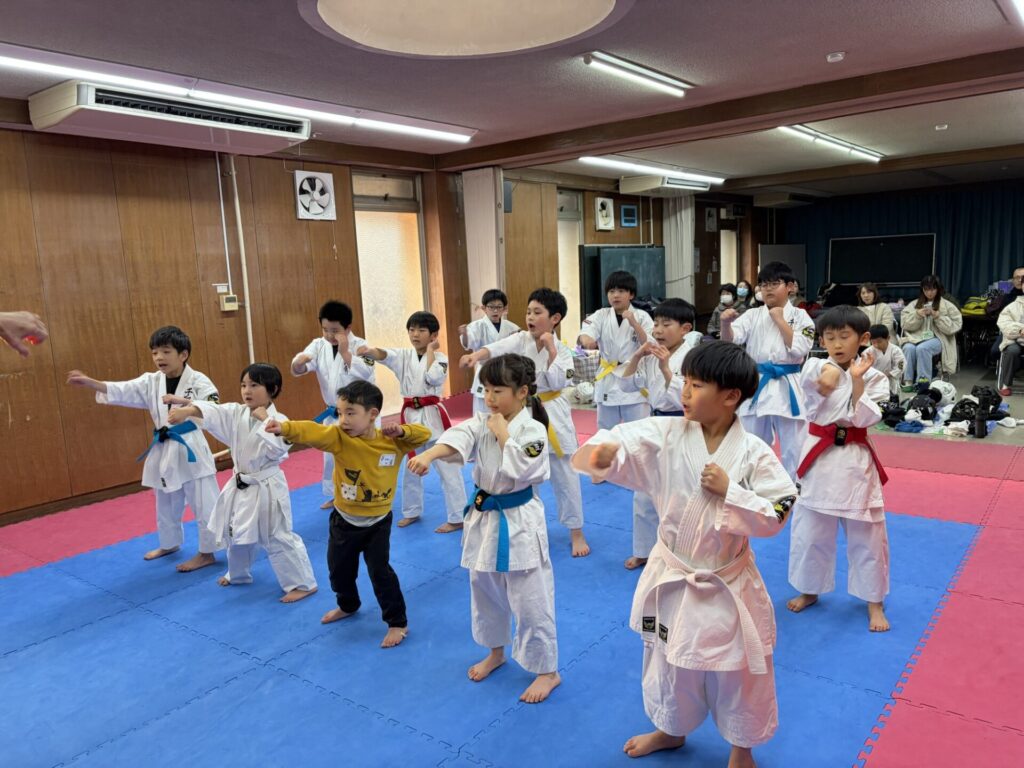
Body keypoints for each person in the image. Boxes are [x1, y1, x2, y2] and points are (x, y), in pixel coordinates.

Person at [572, 342, 797, 767]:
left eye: (696, 385)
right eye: (685, 382)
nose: (685, 392)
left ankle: (742, 748)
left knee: (739, 671)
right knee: (667, 659)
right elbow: (625, 438)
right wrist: (606, 452)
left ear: (730, 396)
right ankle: (670, 729)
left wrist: (732, 492)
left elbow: (779, 510)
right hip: (673, 574)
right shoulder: (668, 434)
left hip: (727, 581)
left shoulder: (754, 452)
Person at [408, 355, 560, 704]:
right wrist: (429, 456)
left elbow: (526, 469)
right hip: (485, 518)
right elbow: (457, 438)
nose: (489, 398)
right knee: (485, 591)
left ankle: (547, 670)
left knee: (530, 599)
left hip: (519, 520)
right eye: (486, 390)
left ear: (522, 392)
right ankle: (496, 652)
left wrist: (503, 432)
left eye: (498, 390)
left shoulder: (533, 430)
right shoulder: (482, 421)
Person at [266, 380, 431, 648]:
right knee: (338, 572)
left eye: (351, 413)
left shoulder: (392, 442)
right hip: (344, 520)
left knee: (380, 573)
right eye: (340, 413)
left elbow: (424, 434)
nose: (343, 420)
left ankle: (397, 622)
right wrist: (286, 427)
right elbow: (313, 431)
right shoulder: (339, 438)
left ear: (373, 414)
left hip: (378, 523)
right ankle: (348, 605)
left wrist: (402, 430)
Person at [66, 326, 220, 571]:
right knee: (165, 500)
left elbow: (214, 405)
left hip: (190, 446)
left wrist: (188, 410)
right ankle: (169, 543)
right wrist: (91, 383)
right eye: (155, 352)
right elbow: (123, 389)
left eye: (166, 351)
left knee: (203, 501)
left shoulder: (199, 380)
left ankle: (207, 552)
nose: (159, 357)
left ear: (183, 354)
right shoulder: (152, 381)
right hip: (164, 445)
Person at [164, 363, 317, 602]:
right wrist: (188, 410)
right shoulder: (237, 412)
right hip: (241, 484)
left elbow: (280, 449)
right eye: (243, 385)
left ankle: (303, 583)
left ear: (272, 389)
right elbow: (214, 411)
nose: (247, 390)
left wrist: (266, 420)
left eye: (254, 385)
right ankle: (237, 573)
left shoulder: (280, 419)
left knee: (276, 535)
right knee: (236, 531)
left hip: (267, 486)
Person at [460, 287, 590, 558]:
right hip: (524, 412)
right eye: (528, 311)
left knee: (566, 478)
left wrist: (551, 348)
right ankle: (530, 526)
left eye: (537, 312)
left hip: (553, 414)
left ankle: (576, 531)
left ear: (555, 318)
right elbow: (497, 348)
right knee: (524, 472)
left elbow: (559, 380)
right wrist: (476, 356)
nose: (530, 317)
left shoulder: (563, 350)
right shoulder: (520, 339)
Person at [787, 306, 891, 632]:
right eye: (829, 337)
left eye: (844, 336)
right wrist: (829, 373)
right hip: (819, 459)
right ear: (821, 340)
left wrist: (856, 379)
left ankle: (874, 601)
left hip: (855, 462)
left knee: (868, 536)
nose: (836, 343)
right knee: (810, 532)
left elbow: (866, 417)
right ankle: (810, 589)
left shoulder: (875, 377)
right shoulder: (814, 365)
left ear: (863, 338)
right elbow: (815, 387)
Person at [359, 311, 468, 533]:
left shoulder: (441, 359)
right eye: (411, 329)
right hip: (409, 418)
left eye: (421, 330)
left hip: (432, 417)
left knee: (447, 468)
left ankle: (457, 516)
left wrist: (431, 350)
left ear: (433, 335)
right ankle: (411, 511)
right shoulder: (403, 355)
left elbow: (433, 378)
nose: (415, 334)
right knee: (410, 467)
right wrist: (370, 351)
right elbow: (384, 354)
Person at [616, 298, 701, 570]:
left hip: (684, 426)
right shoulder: (653, 353)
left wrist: (666, 369)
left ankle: (684, 553)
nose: (658, 330)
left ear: (685, 328)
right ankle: (643, 549)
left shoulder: (694, 356)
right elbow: (627, 385)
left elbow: (690, 398)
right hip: (655, 425)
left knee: (682, 493)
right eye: (656, 324)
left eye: (666, 324)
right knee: (644, 490)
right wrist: (637, 356)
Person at [720, 261, 815, 479]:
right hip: (757, 382)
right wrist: (725, 325)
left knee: (794, 444)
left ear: (790, 286)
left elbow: (800, 348)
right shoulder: (752, 315)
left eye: (774, 284)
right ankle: (751, 483)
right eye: (764, 284)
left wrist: (779, 319)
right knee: (750, 440)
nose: (768, 289)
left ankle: (795, 487)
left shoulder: (801, 316)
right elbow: (730, 341)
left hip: (788, 381)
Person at [290, 300, 375, 510]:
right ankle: (335, 495)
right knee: (330, 458)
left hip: (358, 414)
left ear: (348, 327)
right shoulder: (319, 345)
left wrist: (346, 353)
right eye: (325, 329)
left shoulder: (361, 346)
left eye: (334, 330)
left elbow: (366, 372)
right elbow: (300, 366)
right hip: (333, 413)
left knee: (358, 457)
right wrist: (299, 362)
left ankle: (365, 496)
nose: (329, 335)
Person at [578, 269, 654, 428]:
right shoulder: (601, 315)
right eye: (611, 291)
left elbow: (649, 345)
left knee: (638, 432)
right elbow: (587, 332)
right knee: (605, 432)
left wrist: (634, 323)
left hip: (633, 380)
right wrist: (587, 341)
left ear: (631, 294)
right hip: (608, 379)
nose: (615, 295)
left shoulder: (642, 316)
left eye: (621, 291)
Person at [459, 289, 520, 415]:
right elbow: (468, 343)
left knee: (504, 412)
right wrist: (464, 334)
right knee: (482, 412)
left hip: (505, 372)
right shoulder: (477, 326)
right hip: (485, 372)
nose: (495, 311)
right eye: (491, 307)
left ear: (505, 308)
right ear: (484, 308)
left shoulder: (512, 327)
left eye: (499, 307)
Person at [899, 275, 962, 391]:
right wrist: (917, 315)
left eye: (932, 289)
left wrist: (938, 317)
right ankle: (908, 381)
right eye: (926, 289)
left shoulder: (947, 305)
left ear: (938, 289)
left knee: (923, 348)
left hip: (939, 338)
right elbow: (904, 324)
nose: (929, 293)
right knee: (908, 347)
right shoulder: (913, 305)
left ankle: (923, 382)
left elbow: (956, 325)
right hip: (916, 337)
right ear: (922, 290)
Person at [997, 272, 1024, 396]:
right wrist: (1020, 330)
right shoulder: (1013, 306)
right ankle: (1005, 384)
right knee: (1012, 351)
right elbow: (1004, 323)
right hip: (1016, 339)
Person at [868, 325, 906, 399]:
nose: (876, 345)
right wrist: (876, 375)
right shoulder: (868, 352)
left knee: (892, 400)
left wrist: (889, 374)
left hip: (891, 381)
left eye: (879, 342)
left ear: (888, 338)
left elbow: (900, 366)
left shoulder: (896, 350)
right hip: (874, 381)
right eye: (873, 342)